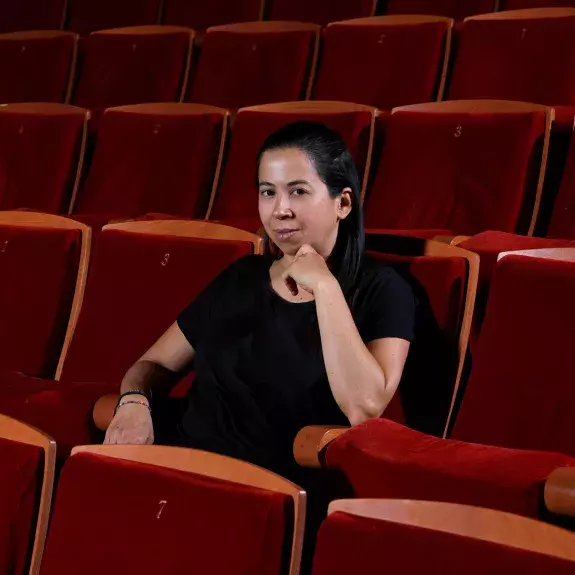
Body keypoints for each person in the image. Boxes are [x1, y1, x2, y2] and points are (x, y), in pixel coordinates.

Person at [104, 121, 416, 478]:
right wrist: (133, 402)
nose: (279, 209)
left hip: (269, 489)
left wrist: (325, 287)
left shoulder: (382, 289)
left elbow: (364, 408)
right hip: (180, 468)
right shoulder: (242, 276)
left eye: (297, 191)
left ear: (343, 202)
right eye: (268, 192)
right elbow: (152, 365)